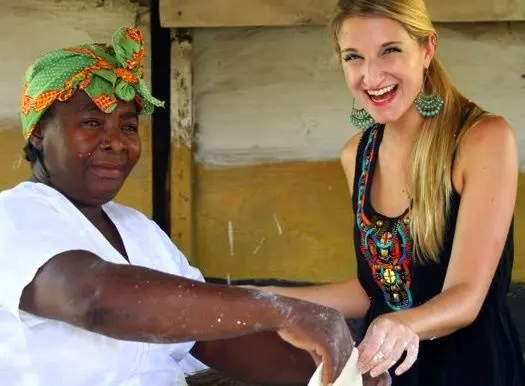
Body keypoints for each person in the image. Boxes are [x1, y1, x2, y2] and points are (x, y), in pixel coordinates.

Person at [0, 26, 355, 386]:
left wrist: (337, 373)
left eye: (128, 126)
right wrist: (279, 310)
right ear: (39, 132)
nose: (117, 143)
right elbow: (94, 299)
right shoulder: (12, 218)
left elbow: (212, 338)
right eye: (92, 122)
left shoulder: (138, 230)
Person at [253, 0, 525, 385]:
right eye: (354, 58)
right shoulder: (356, 155)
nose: (371, 75)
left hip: (472, 369)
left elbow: (466, 297)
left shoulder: (482, 139)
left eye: (390, 51)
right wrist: (266, 299)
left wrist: (398, 324)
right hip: (386, 372)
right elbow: (376, 289)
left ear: (427, 49)